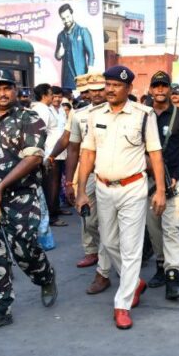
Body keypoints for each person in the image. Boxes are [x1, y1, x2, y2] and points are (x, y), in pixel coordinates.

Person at [76, 65, 167, 330]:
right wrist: (81, 190)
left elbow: (155, 154)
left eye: (116, 85)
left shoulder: (143, 115)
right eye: (108, 84)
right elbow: (88, 153)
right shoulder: (94, 115)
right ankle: (134, 283)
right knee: (108, 241)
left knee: (131, 247)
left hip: (133, 188)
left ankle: (122, 304)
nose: (111, 89)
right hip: (103, 188)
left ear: (128, 89)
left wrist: (160, 190)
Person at [0, 70, 57, 333]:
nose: (2, 94)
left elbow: (33, 158)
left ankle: (45, 276)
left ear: (16, 90)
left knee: (24, 249)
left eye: (7, 88)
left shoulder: (29, 119)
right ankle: (0, 309)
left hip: (20, 198)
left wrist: (1, 186)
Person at [55, 74, 112, 294]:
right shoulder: (79, 115)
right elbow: (72, 147)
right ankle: (95, 252)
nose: (96, 93)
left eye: (100, 89)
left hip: (116, 173)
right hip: (88, 172)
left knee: (112, 223)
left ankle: (105, 268)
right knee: (88, 216)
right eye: (92, 89)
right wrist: (70, 181)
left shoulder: (121, 111)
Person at [144, 71, 179, 301]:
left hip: (174, 178)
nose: (160, 90)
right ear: (150, 90)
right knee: (154, 226)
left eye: (164, 86)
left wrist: (176, 176)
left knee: (172, 226)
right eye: (156, 86)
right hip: (148, 180)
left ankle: (173, 275)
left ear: (169, 89)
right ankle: (160, 265)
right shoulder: (143, 114)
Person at [31, 84, 66, 224]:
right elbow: (40, 132)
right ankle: (51, 216)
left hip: (57, 152)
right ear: (44, 95)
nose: (53, 97)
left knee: (55, 183)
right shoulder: (42, 109)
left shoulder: (48, 108)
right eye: (51, 94)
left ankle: (55, 209)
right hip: (49, 152)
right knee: (51, 184)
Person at [55, 3, 94, 91]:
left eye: (68, 17)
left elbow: (91, 53)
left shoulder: (83, 31)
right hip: (66, 78)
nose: (66, 20)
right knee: (67, 97)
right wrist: (59, 54)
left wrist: (90, 70)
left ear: (72, 14)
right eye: (63, 18)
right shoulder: (60, 35)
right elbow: (57, 56)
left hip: (81, 75)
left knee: (82, 97)